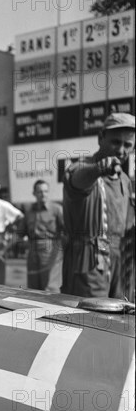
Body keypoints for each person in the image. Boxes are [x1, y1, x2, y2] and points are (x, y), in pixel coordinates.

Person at [62, 112, 135, 299]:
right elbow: (77, 182)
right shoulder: (80, 167)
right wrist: (98, 169)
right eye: (115, 142)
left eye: (128, 144)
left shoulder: (125, 181)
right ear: (100, 138)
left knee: (120, 316)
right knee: (89, 318)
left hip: (121, 260)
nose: (121, 150)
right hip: (89, 259)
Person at [17, 179, 65, 292]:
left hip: (51, 250)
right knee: (33, 287)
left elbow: (66, 231)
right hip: (33, 251)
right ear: (34, 193)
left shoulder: (57, 210)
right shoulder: (29, 212)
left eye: (45, 191)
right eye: (40, 192)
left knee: (50, 287)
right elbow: (20, 233)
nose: (43, 194)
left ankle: (53, 309)